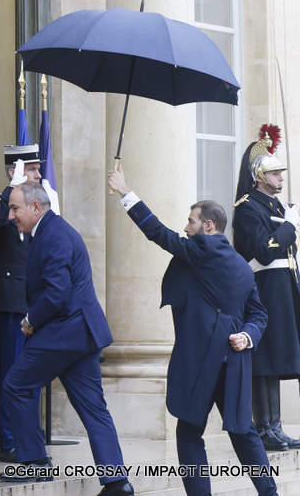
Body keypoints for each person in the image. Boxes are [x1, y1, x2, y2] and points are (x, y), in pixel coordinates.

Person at [109, 165, 277, 496]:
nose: (186, 229)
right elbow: (258, 314)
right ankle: (270, 493)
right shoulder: (241, 266)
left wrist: (126, 192)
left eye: (191, 222)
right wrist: (247, 336)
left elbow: (157, 232)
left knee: (188, 434)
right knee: (243, 433)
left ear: (208, 226)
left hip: (203, 362)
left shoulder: (202, 250)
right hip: (234, 362)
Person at [0, 182, 133, 496]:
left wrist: (31, 320)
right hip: (80, 334)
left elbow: (57, 292)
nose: (10, 216)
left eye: (15, 208)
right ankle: (117, 482)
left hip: (65, 331)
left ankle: (35, 463)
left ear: (36, 207)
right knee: (93, 407)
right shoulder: (51, 231)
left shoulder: (54, 234)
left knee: (16, 384)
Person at [232, 124, 300, 451]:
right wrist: (289, 227)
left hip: (282, 286)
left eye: (281, 173)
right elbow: (265, 251)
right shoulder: (248, 207)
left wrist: (288, 223)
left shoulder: (275, 206)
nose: (280, 178)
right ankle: (264, 429)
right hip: (264, 287)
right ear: (259, 176)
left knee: (277, 357)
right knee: (266, 357)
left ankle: (276, 427)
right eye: (274, 173)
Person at [0, 145, 41, 462]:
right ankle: (8, 441)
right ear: (13, 171)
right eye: (31, 169)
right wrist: (12, 189)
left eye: (37, 168)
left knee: (33, 373)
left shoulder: (38, 206)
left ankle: (29, 437)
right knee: (10, 372)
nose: (38, 174)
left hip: (38, 303)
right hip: (12, 303)